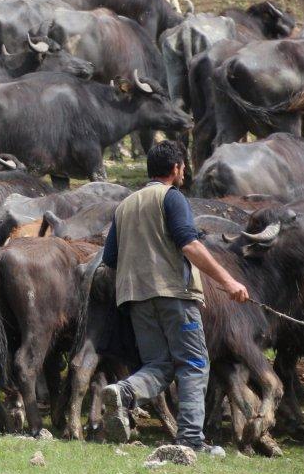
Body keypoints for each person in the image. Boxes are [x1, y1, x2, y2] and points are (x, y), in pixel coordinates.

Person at [99, 139, 249, 453]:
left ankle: (124, 390)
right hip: (174, 296)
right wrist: (228, 282)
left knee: (160, 364)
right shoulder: (173, 198)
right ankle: (191, 440)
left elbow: (110, 258)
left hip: (135, 299)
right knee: (194, 363)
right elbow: (190, 245)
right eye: (182, 168)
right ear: (176, 168)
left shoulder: (124, 206)